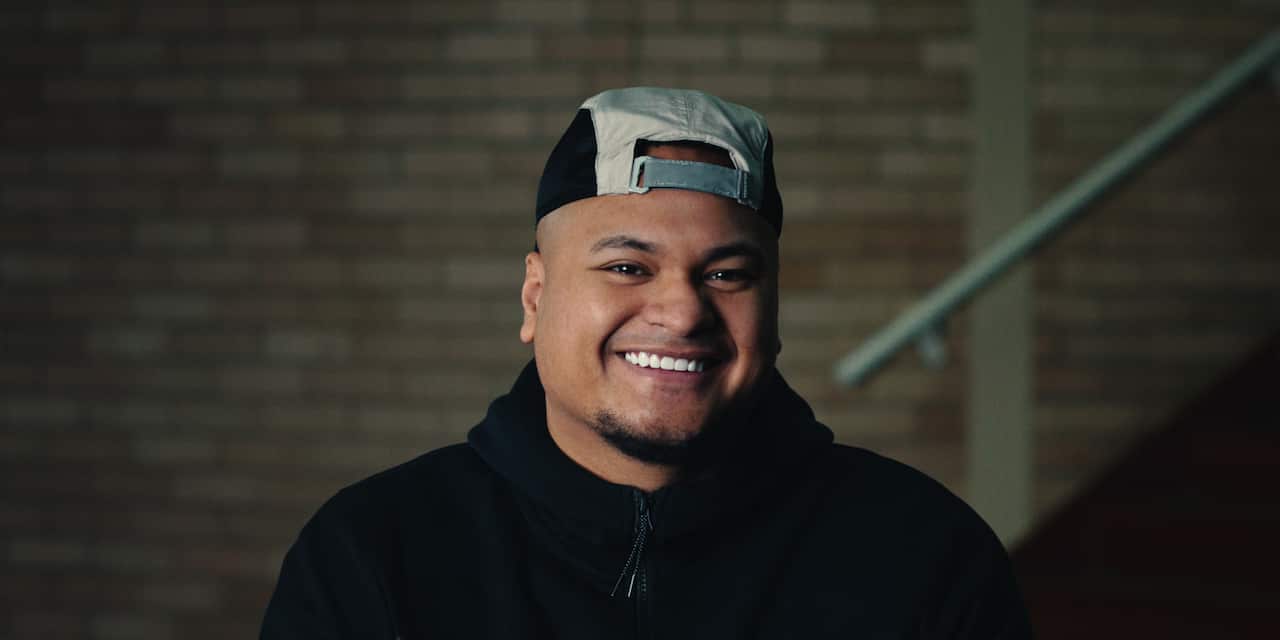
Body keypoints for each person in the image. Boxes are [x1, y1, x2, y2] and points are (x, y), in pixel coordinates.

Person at [260, 87, 1031, 639]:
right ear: (535, 297)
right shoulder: (376, 552)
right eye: (628, 268)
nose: (685, 311)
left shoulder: (922, 554)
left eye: (727, 274)